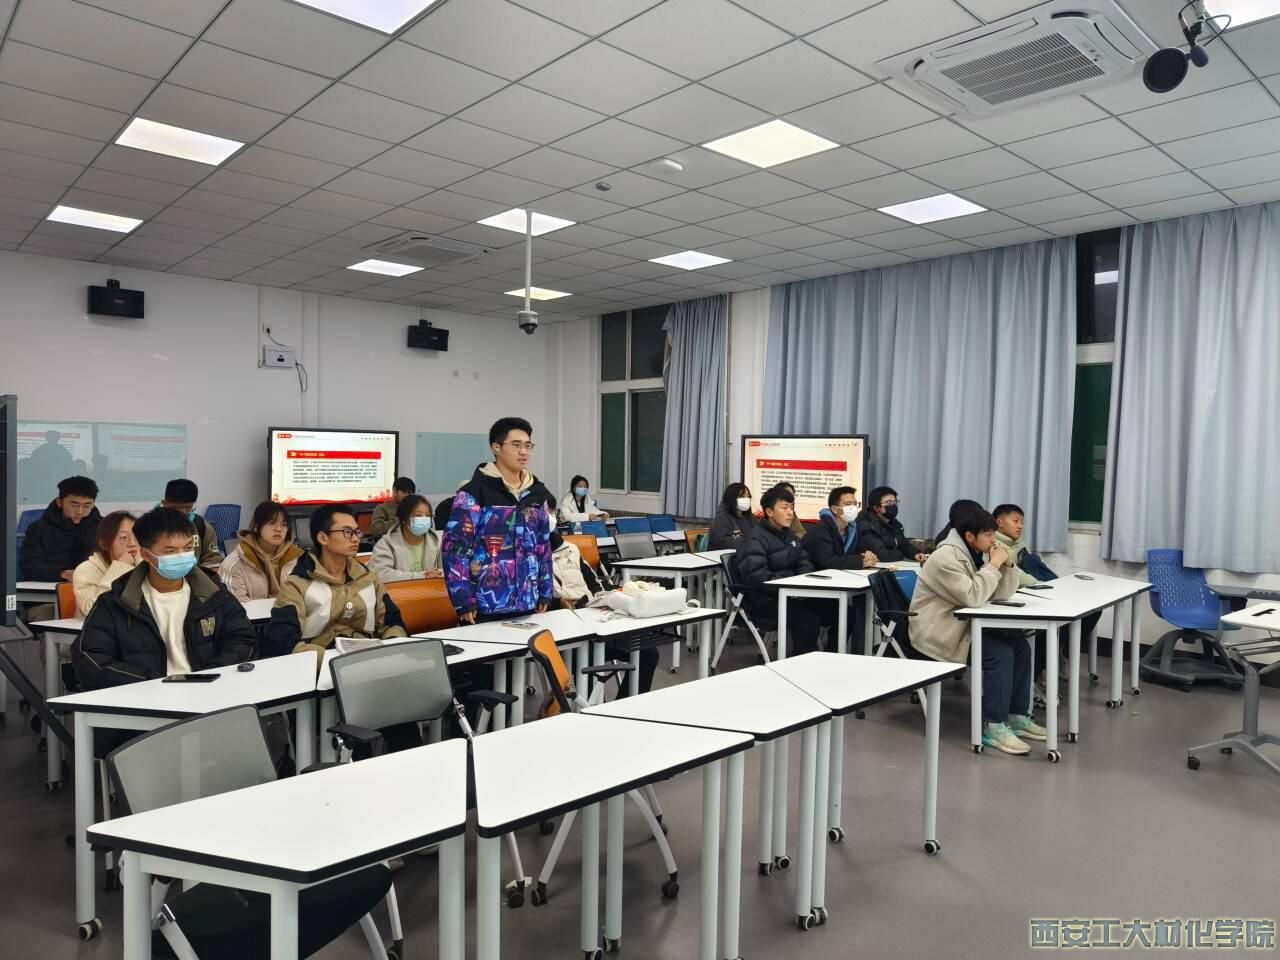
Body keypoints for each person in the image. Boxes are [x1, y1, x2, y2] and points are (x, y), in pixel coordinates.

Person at [909, 503, 1046, 756]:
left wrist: (1008, 566)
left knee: (1019, 647)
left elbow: (1001, 594)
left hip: (962, 625)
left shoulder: (976, 553)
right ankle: (994, 725)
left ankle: (1016, 716)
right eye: (989, 534)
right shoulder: (944, 558)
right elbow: (973, 596)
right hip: (939, 631)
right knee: (999, 654)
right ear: (970, 536)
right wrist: (993, 566)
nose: (994, 540)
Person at [72, 507, 256, 689]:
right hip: (145, 696)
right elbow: (90, 658)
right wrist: (151, 683)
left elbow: (243, 640)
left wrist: (209, 675)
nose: (182, 556)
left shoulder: (213, 594)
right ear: (146, 554)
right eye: (170, 551)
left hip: (209, 690)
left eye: (188, 548)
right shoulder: (116, 602)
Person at [442, 417, 553, 624]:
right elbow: (455, 549)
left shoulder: (537, 494)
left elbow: (543, 547)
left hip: (529, 600)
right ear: (496, 448)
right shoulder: (473, 493)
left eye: (528, 446)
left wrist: (546, 591)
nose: (524, 452)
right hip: (484, 604)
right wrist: (463, 600)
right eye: (516, 445)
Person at [265, 504, 408, 659]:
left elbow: (393, 623)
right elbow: (282, 641)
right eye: (347, 532)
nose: (355, 538)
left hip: (369, 661)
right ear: (323, 538)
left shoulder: (368, 579)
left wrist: (391, 650)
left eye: (356, 532)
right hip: (321, 665)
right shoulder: (298, 584)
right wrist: (331, 660)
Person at [993, 503, 1100, 707]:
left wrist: (1048, 586)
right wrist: (1042, 585)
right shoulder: (996, 546)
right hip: (1015, 597)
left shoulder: (1019, 545)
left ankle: (1059, 655)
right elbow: (1016, 575)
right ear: (999, 522)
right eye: (1015, 521)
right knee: (1051, 625)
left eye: (1022, 522)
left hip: (1034, 591)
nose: (1020, 526)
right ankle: (1036, 677)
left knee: (1091, 610)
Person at [546, 497, 656, 697]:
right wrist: (558, 603)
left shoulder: (570, 548)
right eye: (543, 511)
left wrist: (606, 597)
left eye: (551, 511)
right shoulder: (526, 556)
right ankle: (594, 708)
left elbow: (594, 582)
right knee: (587, 661)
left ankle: (624, 707)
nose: (548, 516)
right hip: (563, 631)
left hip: (593, 619)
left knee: (648, 652)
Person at [736, 485, 837, 656]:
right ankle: (800, 666)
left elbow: (805, 562)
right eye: (784, 508)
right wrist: (791, 582)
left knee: (842, 612)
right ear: (769, 511)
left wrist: (799, 583)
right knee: (808, 621)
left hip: (793, 595)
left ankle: (831, 656)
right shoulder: (755, 539)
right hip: (765, 601)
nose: (790, 513)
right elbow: (758, 577)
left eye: (792, 507)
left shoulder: (788, 534)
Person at [21, 475, 103, 583]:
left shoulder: (104, 528)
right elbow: (30, 568)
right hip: (52, 587)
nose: (80, 511)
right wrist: (63, 573)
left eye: (87, 506)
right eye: (74, 505)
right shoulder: (38, 529)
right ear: (60, 502)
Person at [219, 501, 305, 603]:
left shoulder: (299, 559)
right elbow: (237, 606)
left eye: (284, 524)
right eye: (272, 523)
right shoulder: (235, 564)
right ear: (256, 527)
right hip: (252, 613)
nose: (278, 529)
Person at [72, 510, 139, 617]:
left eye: (137, 537)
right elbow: (93, 611)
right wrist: (119, 568)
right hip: (95, 627)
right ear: (104, 543)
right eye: (123, 537)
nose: (132, 544)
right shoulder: (85, 570)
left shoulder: (143, 565)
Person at [369, 494, 443, 583]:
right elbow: (380, 575)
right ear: (403, 519)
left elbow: (450, 570)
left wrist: (439, 574)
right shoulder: (386, 544)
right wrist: (421, 576)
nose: (424, 519)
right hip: (399, 591)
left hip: (431, 589)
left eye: (428, 515)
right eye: (418, 515)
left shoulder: (437, 541)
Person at [803, 486, 878, 571]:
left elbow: (858, 552)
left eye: (855, 504)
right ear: (835, 509)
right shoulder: (820, 529)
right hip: (816, 575)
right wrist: (860, 562)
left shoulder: (853, 528)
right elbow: (827, 561)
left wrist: (867, 556)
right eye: (848, 504)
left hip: (841, 574)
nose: (853, 508)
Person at [161, 478, 223, 571]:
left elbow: (213, 558)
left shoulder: (201, 526)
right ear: (164, 504)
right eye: (176, 508)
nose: (182, 512)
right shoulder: (150, 527)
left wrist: (198, 575)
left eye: (188, 507)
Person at [856, 486, 928, 563]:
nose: (893, 505)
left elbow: (903, 544)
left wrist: (915, 553)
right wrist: (901, 554)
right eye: (889, 502)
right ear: (876, 508)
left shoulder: (894, 523)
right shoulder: (866, 524)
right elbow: (883, 555)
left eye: (895, 502)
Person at [708, 483, 756, 551]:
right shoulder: (721, 518)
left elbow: (759, 534)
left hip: (746, 553)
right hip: (723, 555)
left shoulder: (750, 517)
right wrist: (751, 543)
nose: (746, 499)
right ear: (732, 498)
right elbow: (724, 543)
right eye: (742, 496)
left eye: (748, 496)